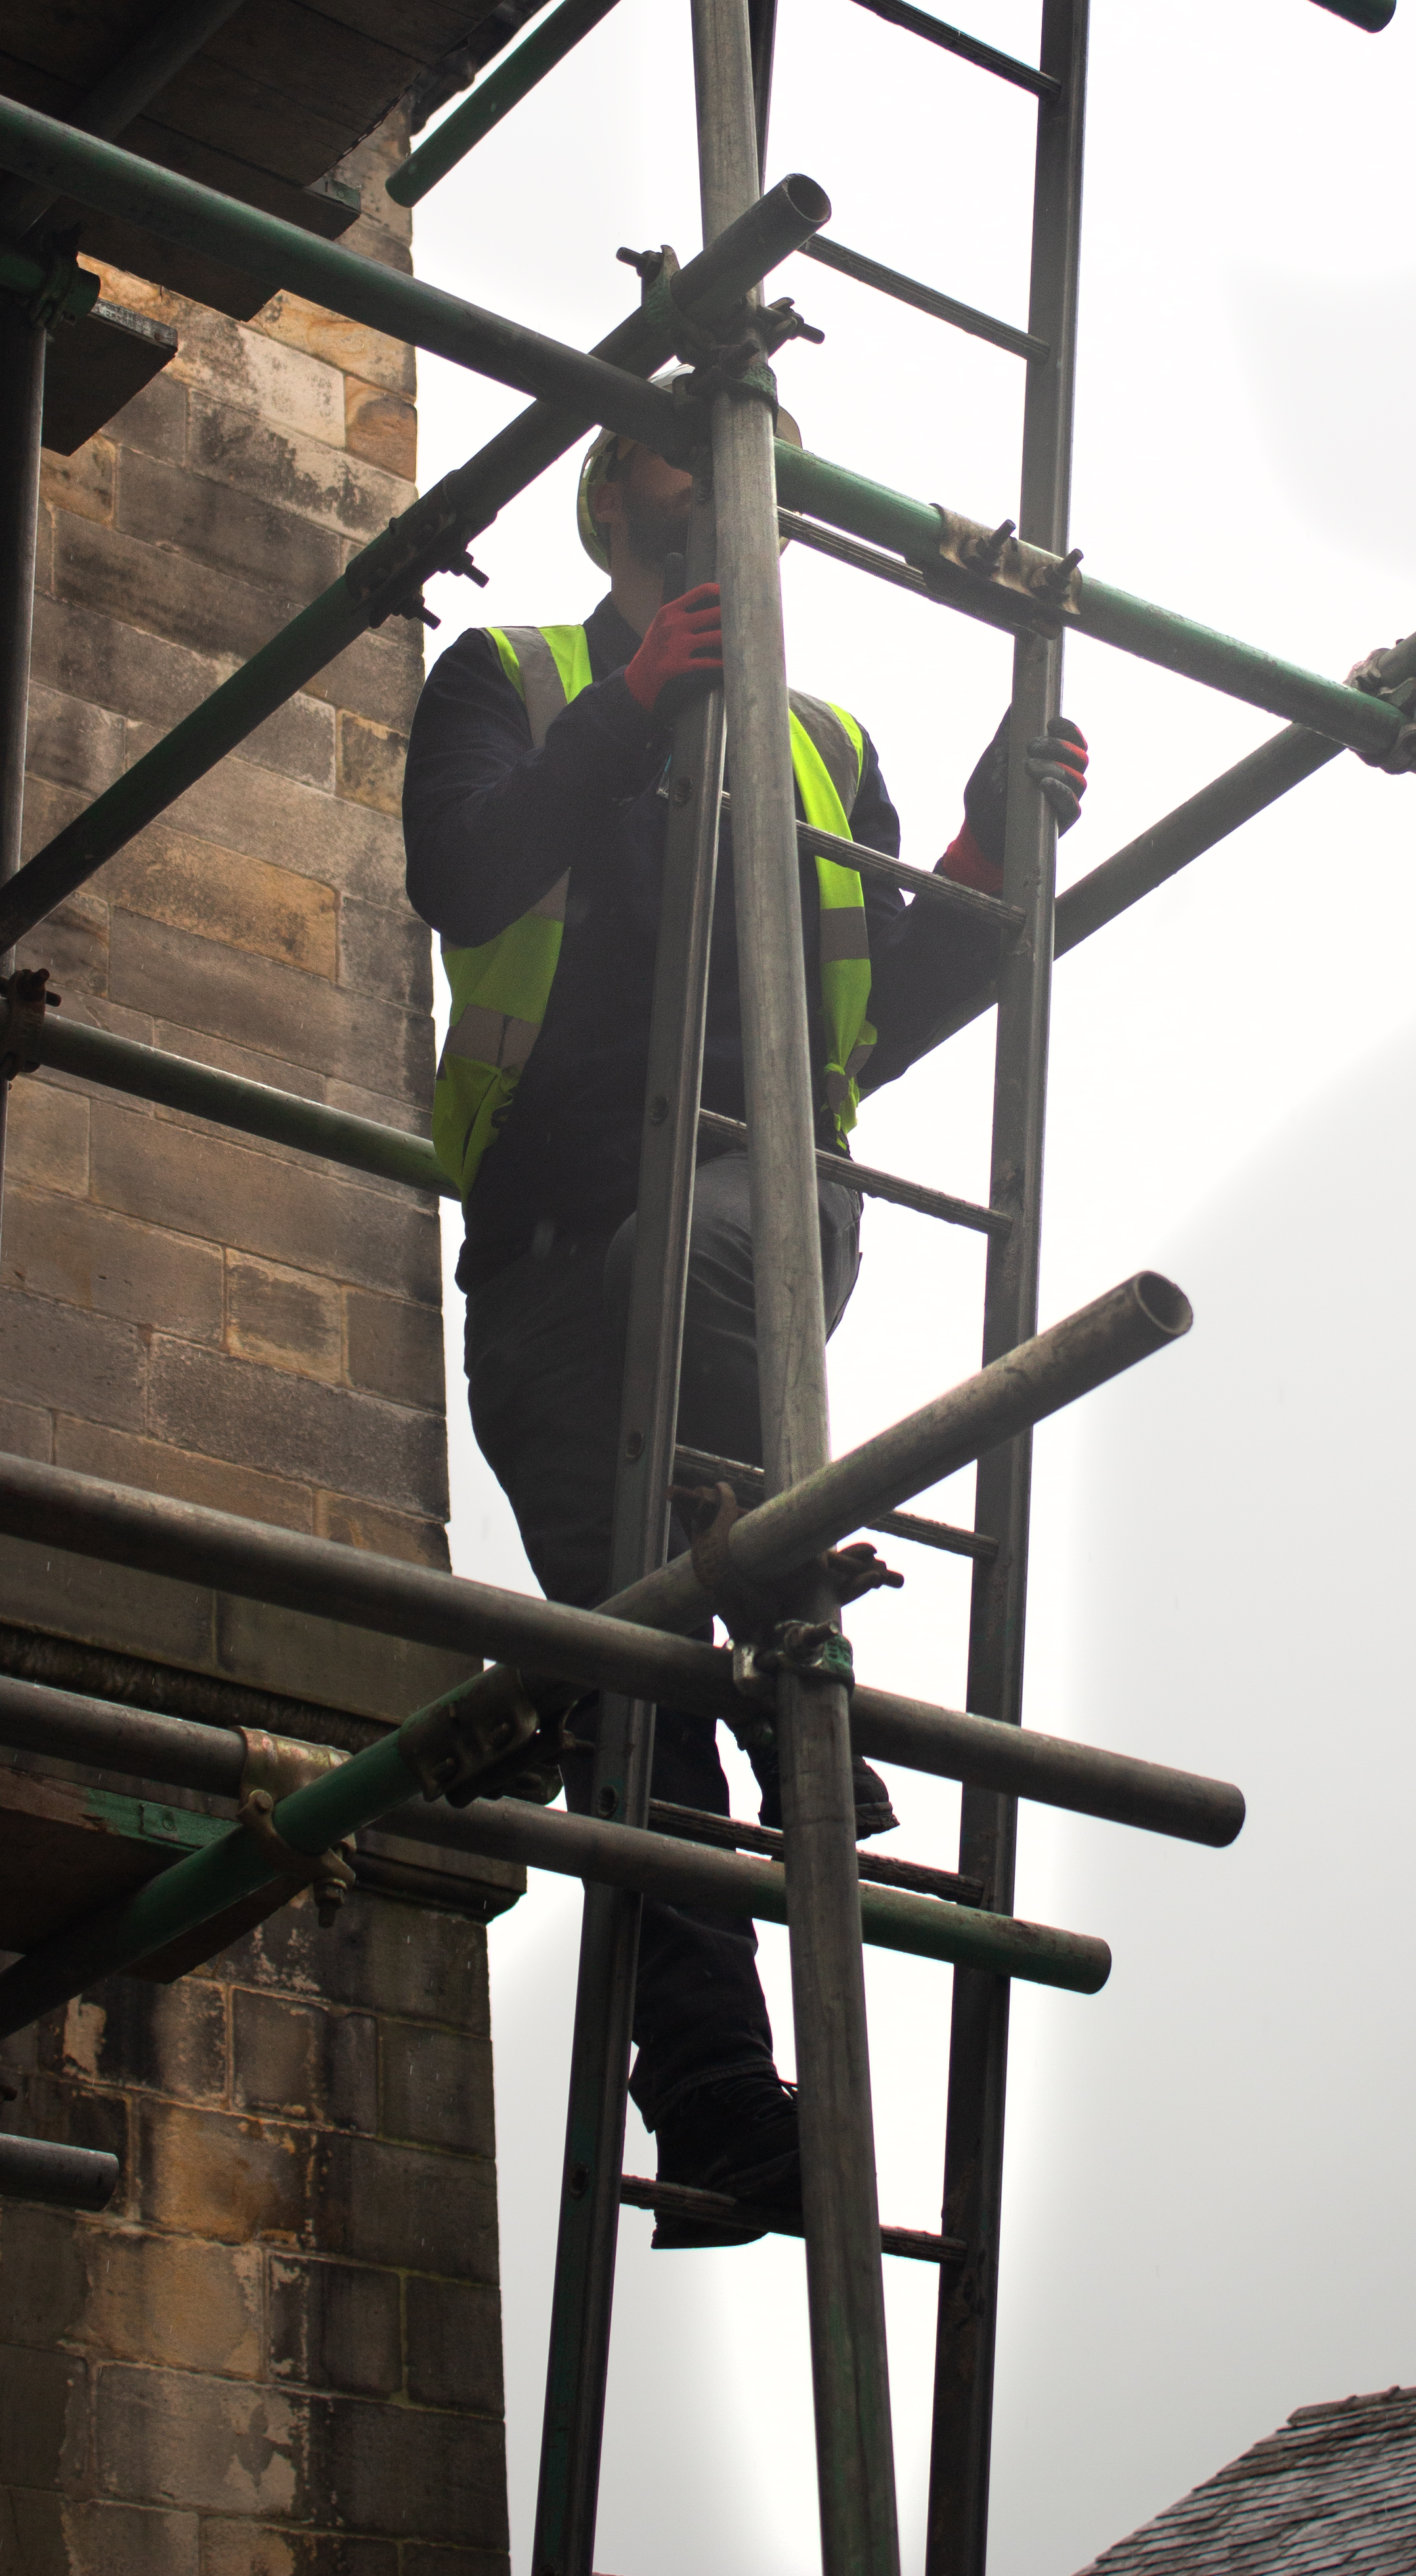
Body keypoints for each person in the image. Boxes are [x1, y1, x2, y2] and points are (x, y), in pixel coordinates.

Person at [400, 402, 1088, 2241]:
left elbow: (889, 1002)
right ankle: (716, 2108)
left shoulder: (822, 744)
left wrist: (988, 851)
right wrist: (637, 702)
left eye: (734, 456)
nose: (709, 482)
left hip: (745, 1204)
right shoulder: (515, 677)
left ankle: (784, 1628)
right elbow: (460, 876)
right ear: (612, 500)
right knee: (639, 1714)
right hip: (549, 1256)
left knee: (714, 1252)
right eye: (673, 450)